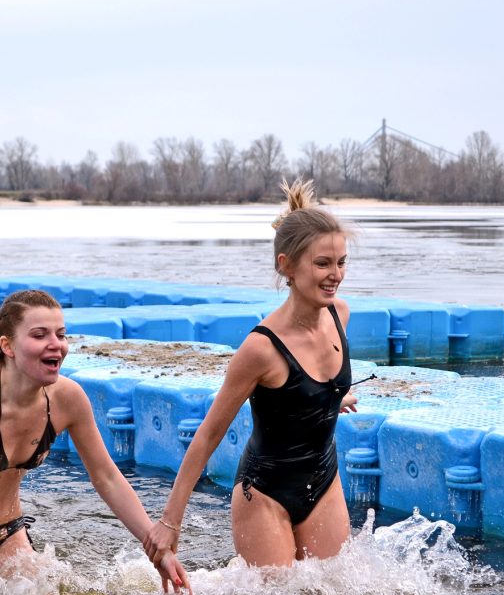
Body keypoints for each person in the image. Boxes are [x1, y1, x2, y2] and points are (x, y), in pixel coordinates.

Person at [0, 289, 191, 594]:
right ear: (7, 346)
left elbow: (107, 479)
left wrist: (157, 549)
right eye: (40, 335)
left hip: (4, 533)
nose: (56, 344)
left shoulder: (68, 399)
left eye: (61, 335)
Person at [144, 179, 359, 568]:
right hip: (263, 493)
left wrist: (328, 399)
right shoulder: (260, 348)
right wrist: (169, 523)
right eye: (323, 263)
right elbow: (209, 433)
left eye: (341, 262)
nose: (335, 274)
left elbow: (308, 383)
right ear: (287, 266)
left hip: (324, 480)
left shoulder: (339, 315)